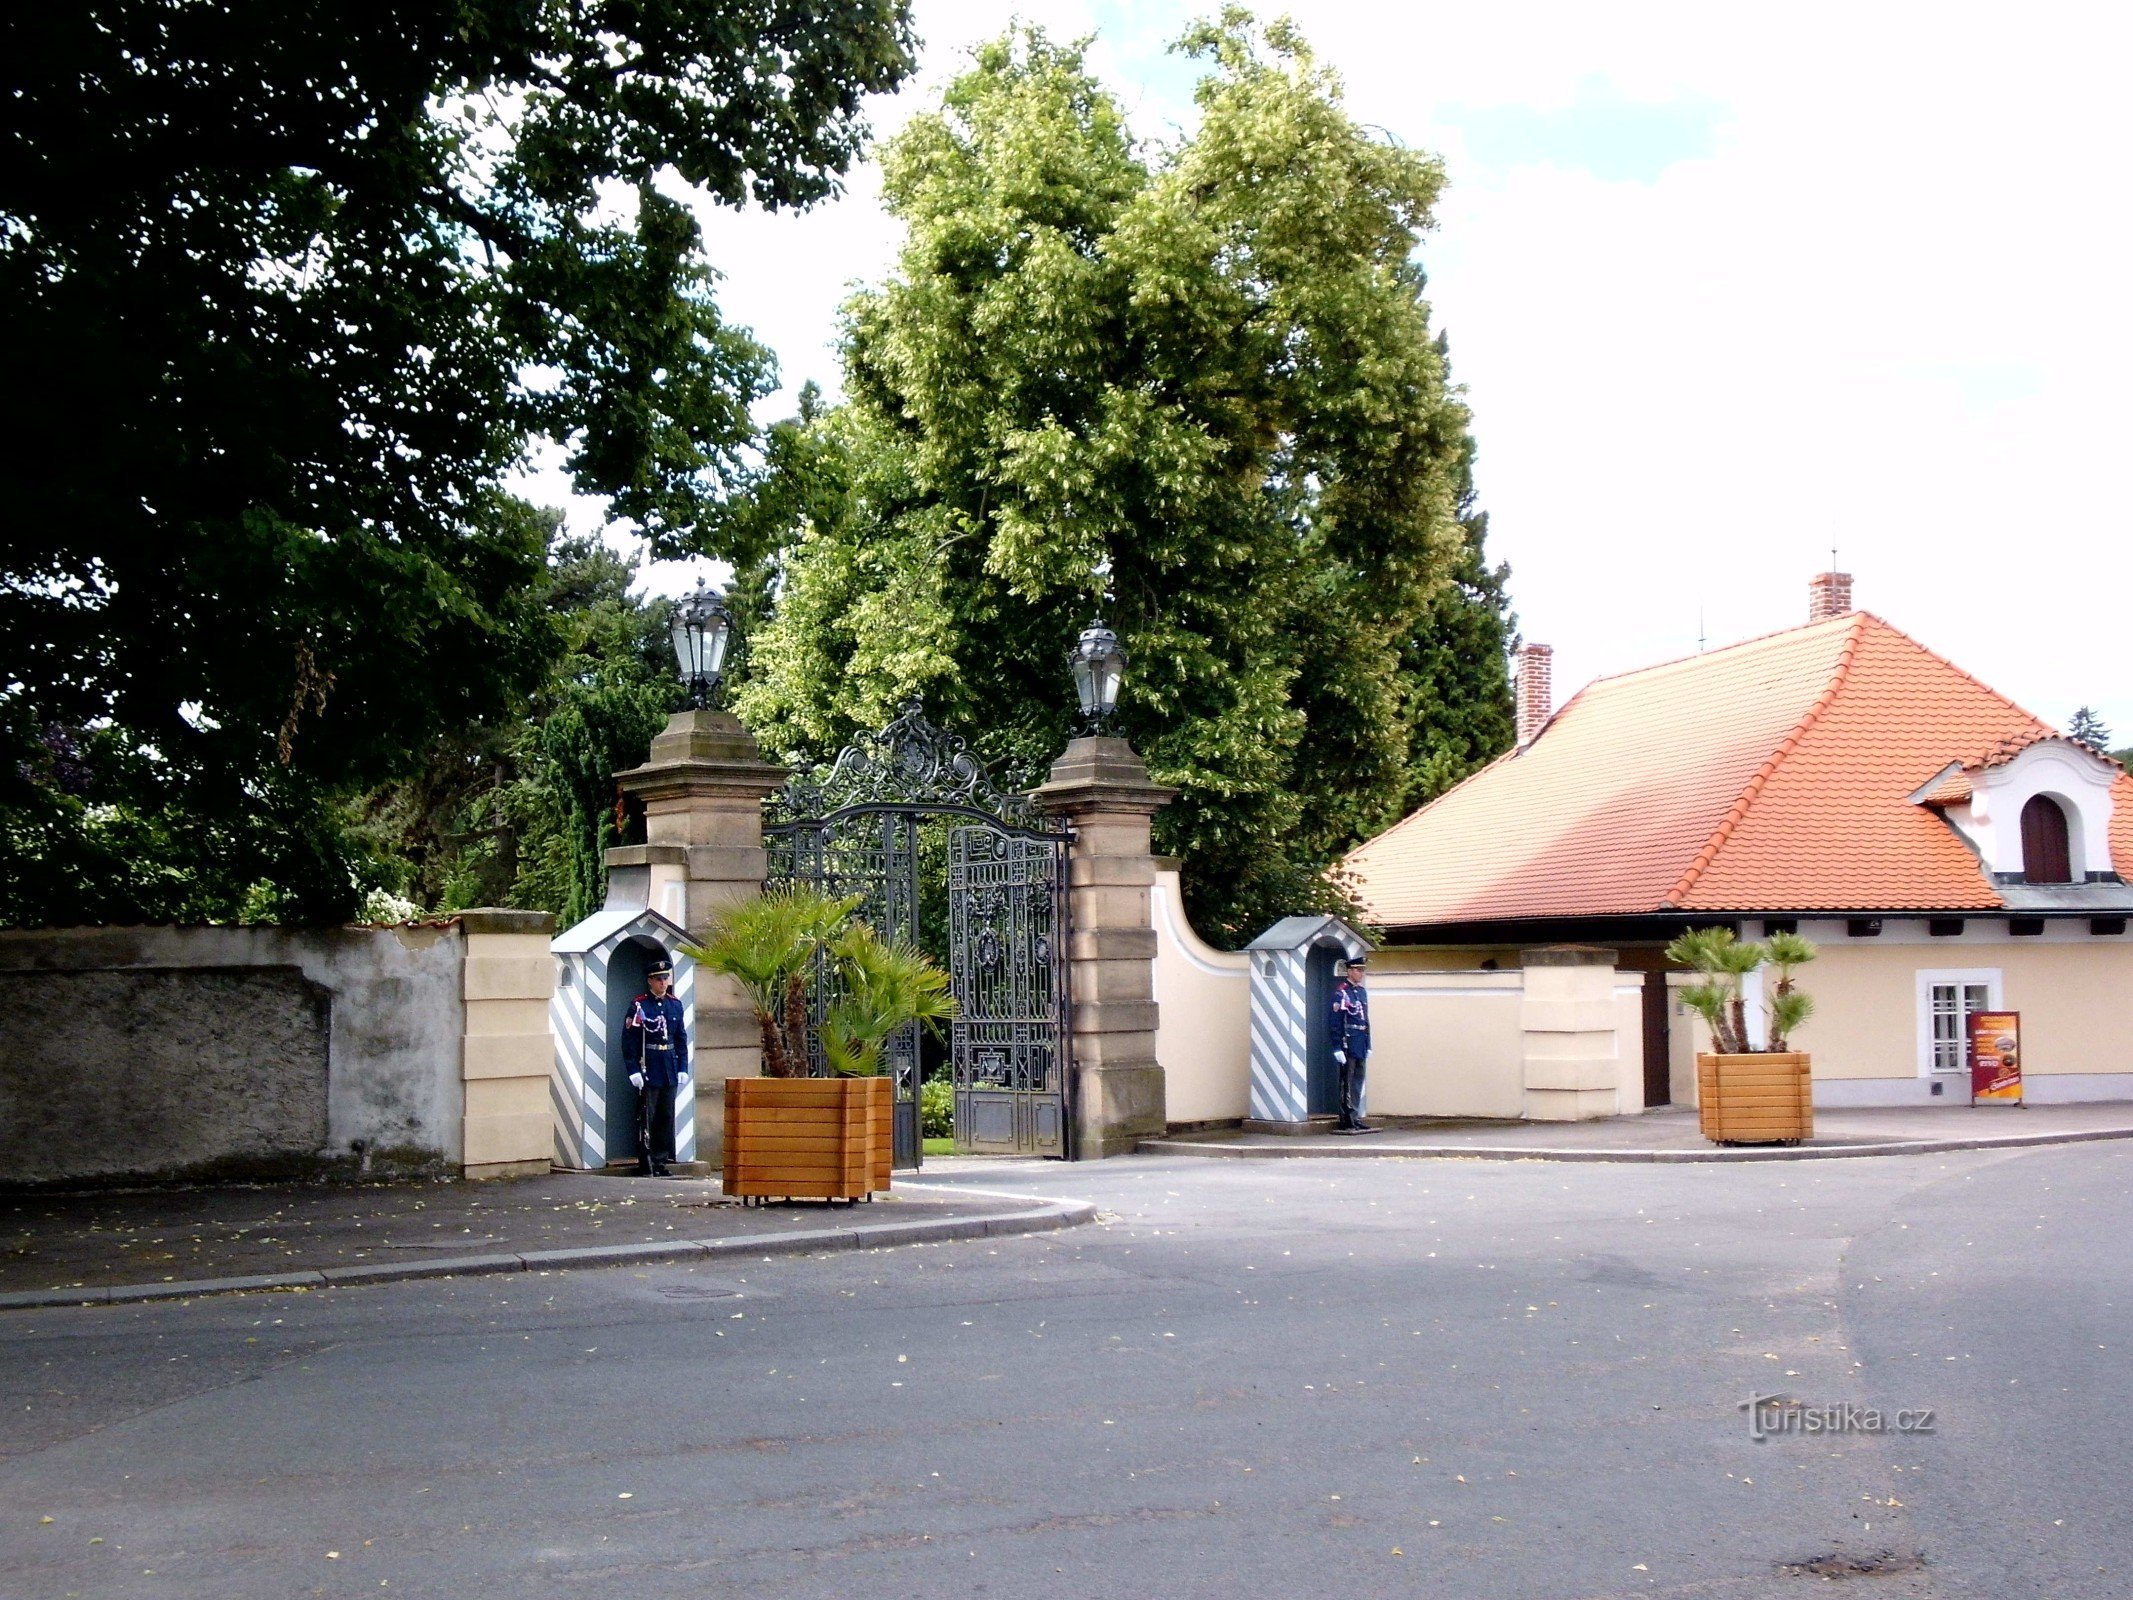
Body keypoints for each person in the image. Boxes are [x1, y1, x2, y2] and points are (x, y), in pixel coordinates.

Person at [624, 957, 689, 1176]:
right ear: (650, 981)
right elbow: (629, 1040)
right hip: (649, 1066)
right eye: (658, 979)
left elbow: (680, 1038)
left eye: (665, 979)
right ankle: (646, 1162)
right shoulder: (640, 1005)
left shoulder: (675, 1004)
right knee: (647, 1117)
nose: (663, 983)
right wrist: (633, 1069)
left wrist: (682, 1067)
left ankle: (660, 1162)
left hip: (668, 1065)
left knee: (665, 1116)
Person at [1330, 952, 1374, 1133]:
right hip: (1348, 1042)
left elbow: (1366, 1020)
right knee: (1347, 1082)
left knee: (1358, 1081)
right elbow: (1335, 1021)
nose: (1360, 973)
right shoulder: (1341, 993)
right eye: (1357, 970)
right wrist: (1336, 1047)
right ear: (1349, 971)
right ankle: (1347, 1118)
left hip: (1361, 1042)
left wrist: (1368, 1044)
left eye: (1362, 970)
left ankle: (1355, 1116)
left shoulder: (1361, 992)